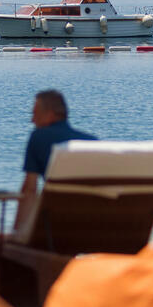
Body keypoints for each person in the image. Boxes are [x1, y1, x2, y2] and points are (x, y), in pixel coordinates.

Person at [13, 89, 97, 230]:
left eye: (35, 114)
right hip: (91, 226)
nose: (32, 120)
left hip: (54, 228)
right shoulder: (92, 142)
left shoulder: (38, 137)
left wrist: (18, 231)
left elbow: (30, 189)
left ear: (50, 115)